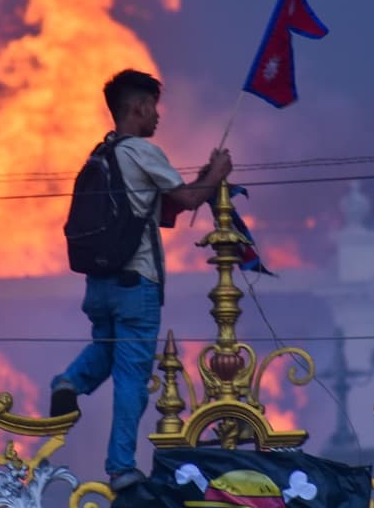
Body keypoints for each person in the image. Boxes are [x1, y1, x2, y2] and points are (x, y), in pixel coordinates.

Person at [50, 69, 232, 492]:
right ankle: (121, 469)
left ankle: (68, 382)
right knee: (133, 376)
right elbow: (186, 200)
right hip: (137, 285)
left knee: (106, 350)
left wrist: (204, 176)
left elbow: (162, 208)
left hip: (99, 285)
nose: (158, 117)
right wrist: (218, 174)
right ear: (138, 107)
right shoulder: (142, 152)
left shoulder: (104, 154)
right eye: (154, 107)